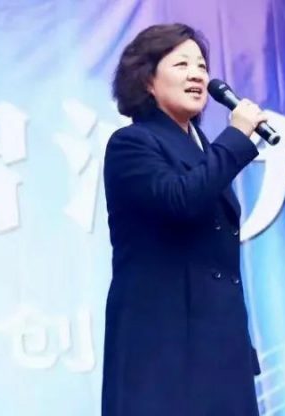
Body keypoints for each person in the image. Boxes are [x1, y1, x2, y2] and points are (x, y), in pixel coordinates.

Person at [101, 23, 268, 416]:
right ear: (147, 80)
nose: (197, 75)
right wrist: (237, 136)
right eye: (181, 65)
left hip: (217, 351)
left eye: (201, 66)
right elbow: (181, 199)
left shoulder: (204, 149)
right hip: (163, 352)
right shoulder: (131, 143)